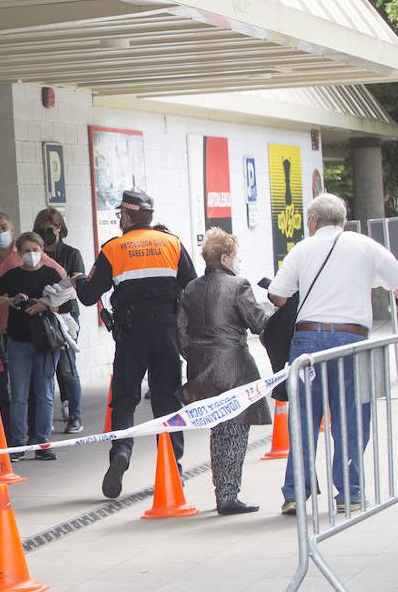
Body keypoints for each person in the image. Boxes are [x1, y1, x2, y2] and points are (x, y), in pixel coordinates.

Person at [268, 193, 398, 515]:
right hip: (352, 340)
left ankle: (295, 493)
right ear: (343, 221)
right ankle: (349, 492)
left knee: (304, 417)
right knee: (351, 416)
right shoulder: (365, 245)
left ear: (312, 222)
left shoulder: (302, 249)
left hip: (307, 343)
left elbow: (277, 295)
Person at [74, 190, 196, 499]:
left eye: (120, 216)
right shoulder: (173, 243)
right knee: (168, 401)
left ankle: (122, 453)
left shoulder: (113, 249)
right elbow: (192, 287)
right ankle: (173, 468)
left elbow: (89, 297)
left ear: (128, 217)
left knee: (125, 399)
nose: (119, 220)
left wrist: (78, 280)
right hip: (167, 330)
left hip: (131, 331)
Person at [178, 229, 270, 515]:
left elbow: (180, 332)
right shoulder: (238, 285)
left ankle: (224, 491)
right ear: (227, 257)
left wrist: (195, 356)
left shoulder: (190, 289)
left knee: (219, 429)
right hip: (233, 365)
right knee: (234, 429)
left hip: (201, 366)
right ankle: (228, 496)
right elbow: (258, 322)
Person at [0, 211, 66, 456]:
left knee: (45, 393)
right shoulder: (12, 276)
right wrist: (10, 301)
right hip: (18, 339)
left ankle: (42, 442)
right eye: (26, 250)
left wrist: (45, 304)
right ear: (18, 253)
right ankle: (18, 444)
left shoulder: (52, 274)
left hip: (45, 340)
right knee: (18, 394)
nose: (31, 254)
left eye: (35, 249)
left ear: (42, 250)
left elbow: (67, 302)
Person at [34, 207, 85, 434]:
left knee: (66, 367)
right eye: (39, 230)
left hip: (65, 313)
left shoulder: (71, 254)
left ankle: (75, 415)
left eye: (48, 229)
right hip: (40, 313)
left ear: (59, 228)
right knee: (45, 369)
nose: (44, 234)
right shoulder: (35, 253)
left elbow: (76, 283)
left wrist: (52, 300)